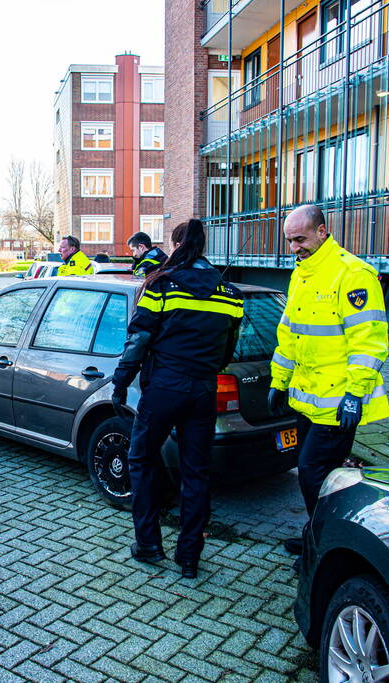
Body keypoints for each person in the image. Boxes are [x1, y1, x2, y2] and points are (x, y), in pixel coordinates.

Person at [111, 218, 244, 578]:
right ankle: (189, 557)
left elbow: (139, 337)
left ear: (176, 244)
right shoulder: (230, 293)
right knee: (196, 472)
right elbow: (227, 349)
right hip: (204, 389)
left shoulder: (163, 285)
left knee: (140, 459)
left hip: (165, 388)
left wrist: (121, 382)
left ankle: (149, 545)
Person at [268, 203, 389, 556]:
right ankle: (316, 536)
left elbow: (369, 340)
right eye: (290, 241)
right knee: (314, 474)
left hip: (338, 403)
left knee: (313, 473)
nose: (294, 248)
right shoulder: (302, 274)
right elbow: (290, 334)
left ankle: (324, 548)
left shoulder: (353, 273)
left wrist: (355, 394)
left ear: (322, 231)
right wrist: (279, 381)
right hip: (307, 398)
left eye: (300, 239)